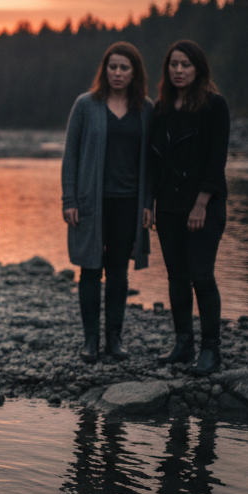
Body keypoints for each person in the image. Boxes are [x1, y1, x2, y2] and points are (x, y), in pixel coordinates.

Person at [61, 42, 153, 364]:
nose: (117, 73)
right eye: (112, 67)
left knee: (118, 272)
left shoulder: (146, 109)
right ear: (105, 70)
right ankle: (91, 341)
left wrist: (148, 202)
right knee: (90, 269)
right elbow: (71, 155)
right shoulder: (86, 105)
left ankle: (114, 338)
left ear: (134, 73)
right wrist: (69, 199)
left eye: (124, 68)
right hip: (91, 203)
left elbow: (151, 162)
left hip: (128, 203)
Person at [149, 40, 230, 375]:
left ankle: (211, 350)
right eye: (174, 65)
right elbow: (154, 161)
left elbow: (216, 160)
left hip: (203, 207)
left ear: (198, 69)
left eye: (185, 65)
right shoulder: (162, 108)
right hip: (168, 206)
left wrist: (201, 204)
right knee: (177, 277)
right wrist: (150, 203)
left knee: (202, 275)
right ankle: (183, 345)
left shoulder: (214, 105)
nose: (179, 70)